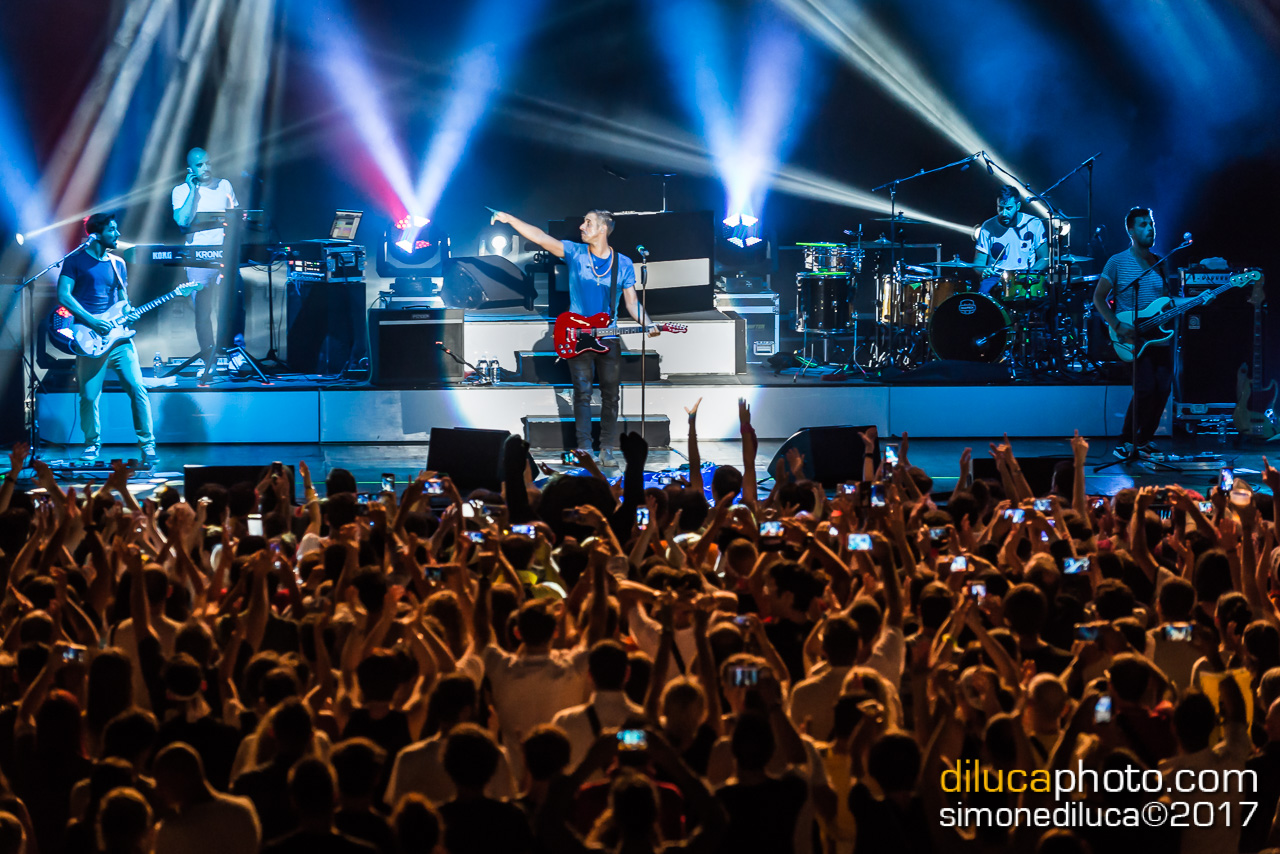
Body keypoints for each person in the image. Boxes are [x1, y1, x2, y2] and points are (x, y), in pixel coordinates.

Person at [491, 209, 659, 466]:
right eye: (583, 222)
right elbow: (540, 237)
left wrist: (648, 323)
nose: (582, 226)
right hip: (576, 334)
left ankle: (606, 448)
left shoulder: (623, 263)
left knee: (611, 395)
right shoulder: (576, 253)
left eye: (588, 223)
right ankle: (584, 449)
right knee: (582, 393)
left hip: (608, 336)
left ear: (603, 229)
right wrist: (511, 219)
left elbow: (632, 302)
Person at [56, 212, 156, 463]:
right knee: (89, 396)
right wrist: (91, 321)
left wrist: (129, 313)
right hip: (89, 337)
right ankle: (92, 444)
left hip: (119, 339)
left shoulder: (118, 263)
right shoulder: (74, 261)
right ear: (96, 234)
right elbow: (64, 295)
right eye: (112, 230)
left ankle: (147, 445)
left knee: (137, 387)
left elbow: (123, 299)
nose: (117, 234)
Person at [1092, 206, 1180, 459]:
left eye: (1151, 224)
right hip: (1132, 337)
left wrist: (1198, 299)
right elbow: (1098, 298)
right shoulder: (1117, 261)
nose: (1150, 228)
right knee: (1145, 388)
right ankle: (1125, 441)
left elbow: (1167, 302)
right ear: (1131, 231)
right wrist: (1117, 325)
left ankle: (1144, 440)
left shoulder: (1160, 262)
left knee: (1163, 389)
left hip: (1159, 337)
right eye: (1143, 224)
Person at [172, 147, 243, 355]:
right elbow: (182, 221)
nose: (206, 167)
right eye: (200, 165)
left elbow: (237, 218)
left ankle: (234, 353)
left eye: (208, 163)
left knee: (234, 307)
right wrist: (192, 190)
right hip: (198, 259)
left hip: (226, 256)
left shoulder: (224, 185)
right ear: (190, 169)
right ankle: (208, 356)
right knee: (202, 312)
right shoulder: (180, 191)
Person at [974, 184, 1048, 295]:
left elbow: (1045, 258)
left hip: (1024, 276)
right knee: (982, 300)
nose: (1004, 213)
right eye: (1000, 208)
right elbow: (979, 263)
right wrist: (983, 271)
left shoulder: (1034, 223)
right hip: (995, 278)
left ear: (1018, 206)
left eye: (1008, 208)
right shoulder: (987, 226)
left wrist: (1031, 273)